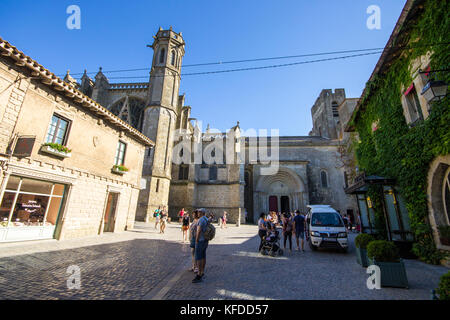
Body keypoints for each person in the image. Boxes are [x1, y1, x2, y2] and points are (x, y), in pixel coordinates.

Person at [193, 208, 209, 283]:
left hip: (200, 240)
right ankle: (202, 271)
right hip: (205, 240)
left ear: (202, 213)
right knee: (203, 256)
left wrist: (196, 239)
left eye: (199, 212)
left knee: (198, 257)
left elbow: (198, 230)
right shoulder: (206, 219)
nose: (198, 213)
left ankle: (199, 274)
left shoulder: (201, 220)